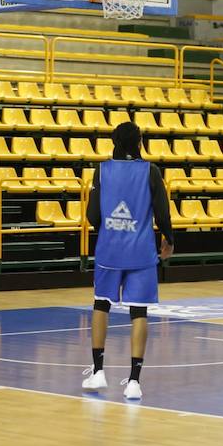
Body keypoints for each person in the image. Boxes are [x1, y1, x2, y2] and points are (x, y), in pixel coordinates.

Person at [81, 121, 174, 399]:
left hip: (109, 250)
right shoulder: (151, 171)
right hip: (141, 251)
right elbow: (163, 213)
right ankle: (134, 381)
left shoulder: (103, 169)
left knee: (101, 304)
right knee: (139, 312)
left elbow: (93, 216)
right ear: (139, 142)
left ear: (114, 141)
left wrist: (109, 231)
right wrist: (168, 239)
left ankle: (98, 372)